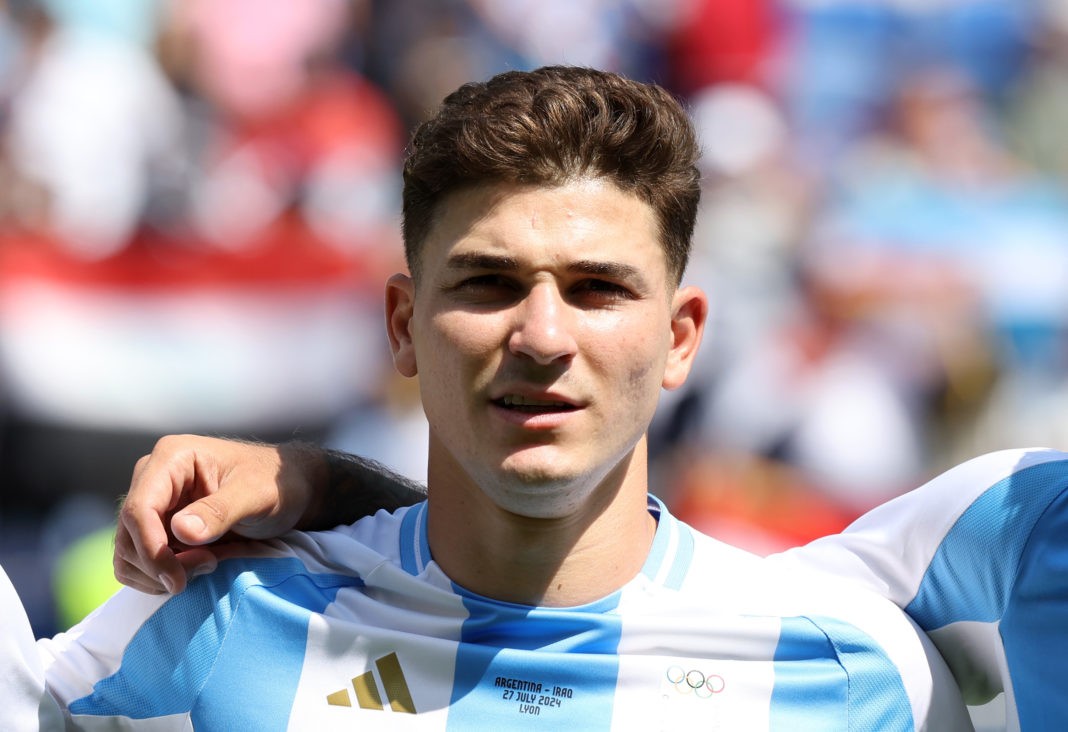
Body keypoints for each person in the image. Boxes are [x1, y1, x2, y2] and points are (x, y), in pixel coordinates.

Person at [1, 66, 971, 729]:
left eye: (598, 289)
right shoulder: (218, 621)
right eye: (487, 283)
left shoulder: (849, 673)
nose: (543, 336)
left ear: (680, 340)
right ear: (402, 328)